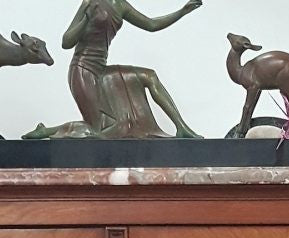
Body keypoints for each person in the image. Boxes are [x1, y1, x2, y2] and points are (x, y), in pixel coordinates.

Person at [60, 0, 203, 138]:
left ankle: (182, 127)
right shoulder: (90, 3)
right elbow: (66, 42)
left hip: (101, 70)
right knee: (98, 128)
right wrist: (86, 18)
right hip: (83, 70)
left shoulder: (121, 5)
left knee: (149, 76)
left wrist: (182, 12)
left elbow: (151, 24)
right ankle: (47, 131)